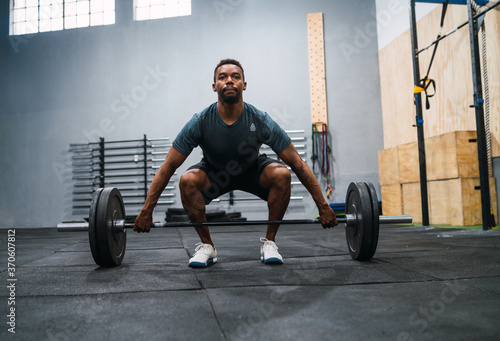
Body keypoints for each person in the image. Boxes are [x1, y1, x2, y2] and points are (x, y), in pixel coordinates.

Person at [134, 58, 338, 267]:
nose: (229, 81)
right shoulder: (201, 121)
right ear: (215, 86)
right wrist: (147, 210)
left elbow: (298, 163)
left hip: (252, 172)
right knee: (187, 180)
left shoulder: (260, 119)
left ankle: (270, 243)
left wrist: (323, 205)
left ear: (244, 85)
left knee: (282, 173)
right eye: (223, 77)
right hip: (215, 174)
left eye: (235, 77)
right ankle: (207, 246)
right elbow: (168, 166)